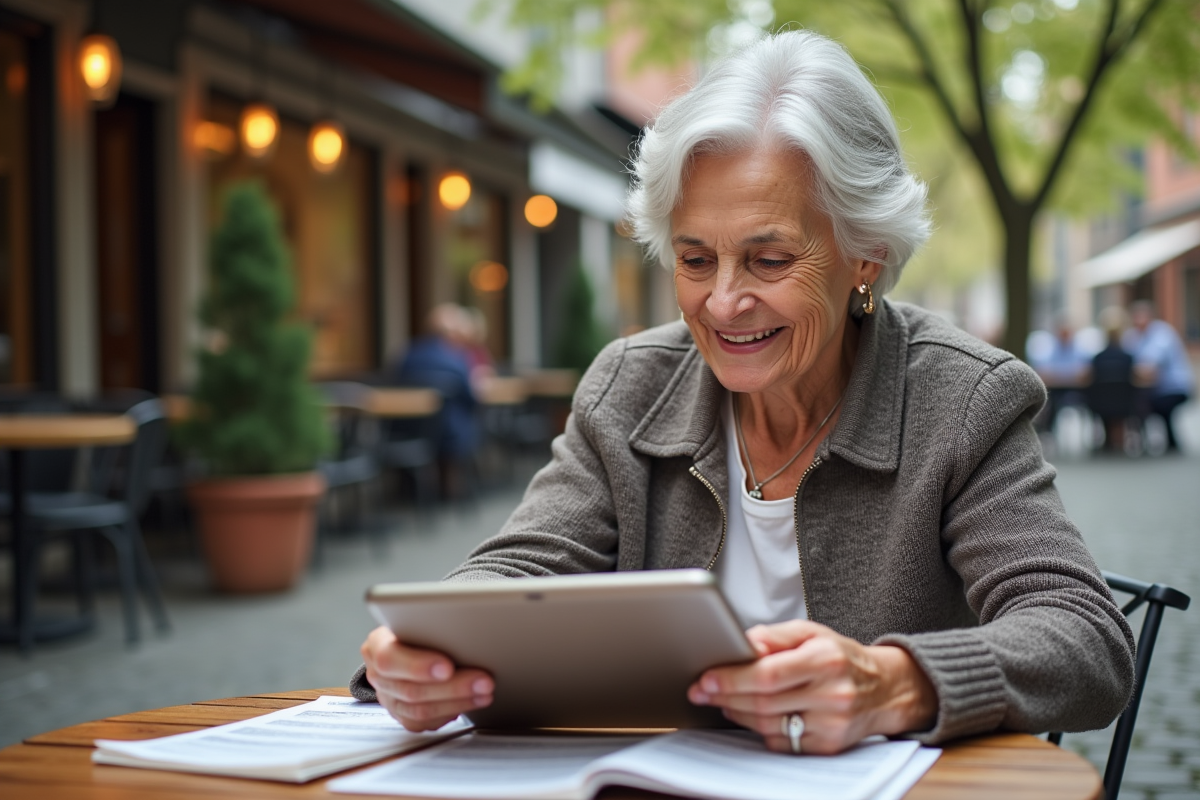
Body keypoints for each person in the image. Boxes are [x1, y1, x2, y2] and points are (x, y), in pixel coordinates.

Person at [356, 31, 1134, 755]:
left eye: (769, 260)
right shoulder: (629, 385)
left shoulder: (962, 399)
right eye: (696, 260)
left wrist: (892, 683)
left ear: (865, 253)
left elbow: (1084, 638)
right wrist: (425, 652)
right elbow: (522, 563)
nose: (723, 303)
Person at [394, 303, 480, 468]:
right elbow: (471, 399)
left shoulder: (408, 354)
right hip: (449, 435)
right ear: (451, 333)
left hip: (408, 431)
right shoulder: (456, 358)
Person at [1123, 301, 1194, 452]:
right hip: (1153, 388)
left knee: (1142, 404)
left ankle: (1161, 443)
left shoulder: (1162, 333)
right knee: (1134, 401)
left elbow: (1149, 368)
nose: (1138, 321)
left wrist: (1130, 370)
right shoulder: (1133, 335)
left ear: (1150, 317)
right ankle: (1166, 443)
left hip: (1173, 387)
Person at [1088, 307, 1138, 453]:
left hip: (1101, 404)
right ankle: (1117, 440)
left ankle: (1109, 440)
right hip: (1124, 404)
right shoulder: (1128, 358)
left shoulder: (1097, 359)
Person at [1030, 317, 1089, 433]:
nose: (1064, 336)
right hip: (1057, 391)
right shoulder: (1051, 350)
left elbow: (1085, 374)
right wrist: (1070, 375)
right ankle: (1048, 430)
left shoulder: (1080, 350)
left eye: (1067, 333)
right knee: (1048, 400)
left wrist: (1059, 375)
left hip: (1075, 391)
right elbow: (1044, 372)